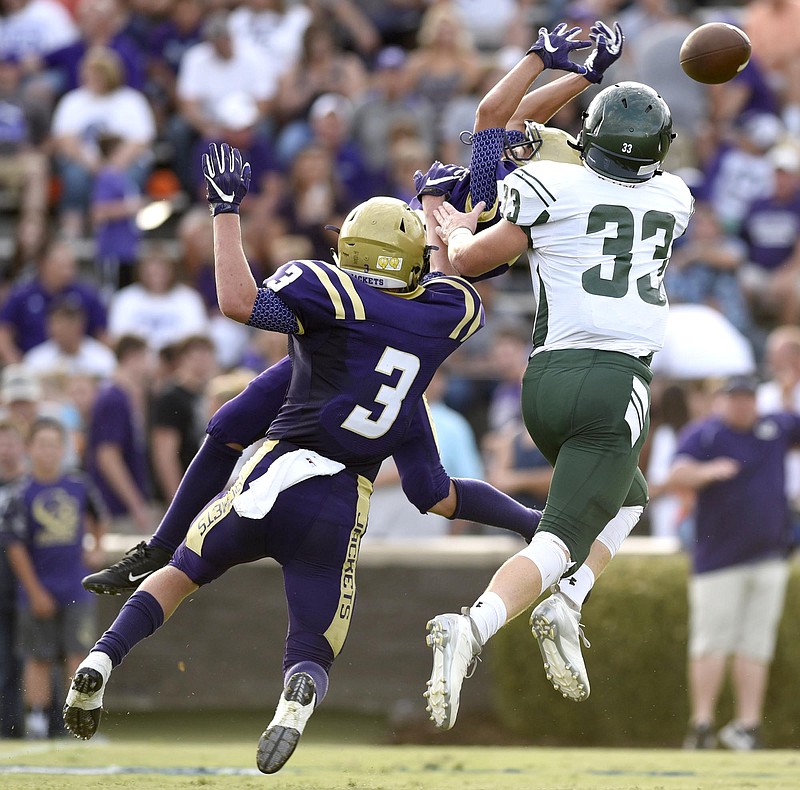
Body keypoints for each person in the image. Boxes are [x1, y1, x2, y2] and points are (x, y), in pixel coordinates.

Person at [81, 19, 616, 596]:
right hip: (384, 338)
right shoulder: (512, 192)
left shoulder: (494, 195)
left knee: (235, 423)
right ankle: (548, 531)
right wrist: (582, 76)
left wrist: (540, 58)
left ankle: (163, 548)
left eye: (530, 146)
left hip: (367, 332)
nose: (522, 136)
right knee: (429, 490)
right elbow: (512, 121)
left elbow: (494, 115)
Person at [64, 143, 502, 773]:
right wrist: (445, 219)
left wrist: (224, 210)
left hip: (275, 469)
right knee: (314, 642)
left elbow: (240, 303)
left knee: (185, 570)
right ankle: (294, 701)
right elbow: (444, 278)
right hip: (342, 492)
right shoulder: (450, 313)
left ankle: (104, 655)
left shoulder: (323, 288)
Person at [425, 79, 694, 730]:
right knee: (558, 538)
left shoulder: (550, 183)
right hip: (616, 383)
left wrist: (455, 232)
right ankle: (473, 626)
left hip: (544, 386)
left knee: (628, 495)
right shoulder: (675, 197)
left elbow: (472, 260)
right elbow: (610, 170)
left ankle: (567, 601)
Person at [666, 376, 798, 750]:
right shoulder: (705, 434)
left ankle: (748, 725)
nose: (743, 405)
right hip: (718, 559)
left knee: (756, 644)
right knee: (711, 642)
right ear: (723, 401)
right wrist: (707, 472)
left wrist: (788, 391)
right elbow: (676, 473)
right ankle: (703, 723)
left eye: (749, 398)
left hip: (770, 555)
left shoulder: (775, 426)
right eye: (736, 398)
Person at [1, 417, 106, 739]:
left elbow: (98, 518)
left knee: (78, 655)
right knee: (39, 658)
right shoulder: (20, 493)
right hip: (38, 588)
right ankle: (36, 720)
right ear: (30, 449)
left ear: (63, 449)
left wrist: (96, 549)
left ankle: (77, 720)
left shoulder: (78, 485)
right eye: (41, 445)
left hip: (75, 585)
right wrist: (33, 590)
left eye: (53, 445)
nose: (47, 452)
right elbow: (14, 545)